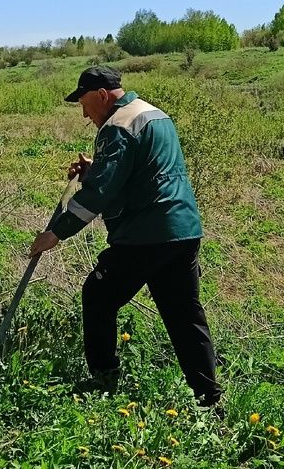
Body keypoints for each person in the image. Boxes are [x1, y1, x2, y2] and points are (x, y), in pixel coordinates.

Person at [29, 66, 222, 408]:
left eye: (85, 103)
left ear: (102, 95)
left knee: (98, 295)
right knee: (183, 314)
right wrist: (94, 170)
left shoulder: (117, 126)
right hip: (183, 229)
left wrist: (56, 233)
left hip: (145, 235)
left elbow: (102, 192)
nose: (84, 113)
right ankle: (208, 397)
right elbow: (138, 174)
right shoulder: (155, 115)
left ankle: (104, 379)